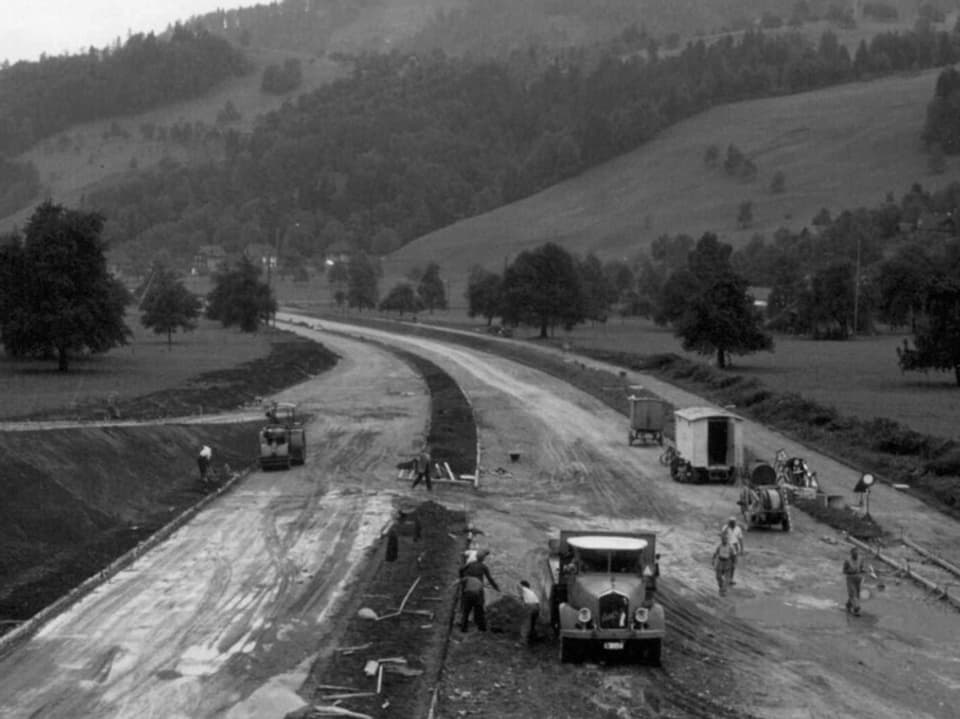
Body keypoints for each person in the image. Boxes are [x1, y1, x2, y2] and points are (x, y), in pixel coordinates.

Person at [459, 549, 500, 632]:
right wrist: (496, 587)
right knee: (479, 608)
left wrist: (462, 579)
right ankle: (481, 628)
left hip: (468, 586)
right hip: (478, 589)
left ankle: (463, 628)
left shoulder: (470, 564)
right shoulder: (483, 567)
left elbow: (460, 570)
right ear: (483, 559)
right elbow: (490, 579)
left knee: (466, 609)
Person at [843, 547, 874, 616]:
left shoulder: (860, 559)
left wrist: (866, 571)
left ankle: (848, 605)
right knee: (852, 593)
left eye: (857, 553)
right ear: (851, 554)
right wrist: (850, 571)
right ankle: (856, 608)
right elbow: (844, 571)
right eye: (855, 554)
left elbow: (861, 568)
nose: (856, 555)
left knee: (856, 594)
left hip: (858, 578)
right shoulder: (847, 561)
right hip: (850, 578)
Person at [712, 532, 737, 596]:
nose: (724, 540)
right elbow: (715, 553)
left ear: (727, 539)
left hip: (727, 562)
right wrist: (713, 560)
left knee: (727, 578)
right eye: (723, 539)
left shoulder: (731, 547)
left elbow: (734, 555)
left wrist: (734, 563)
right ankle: (721, 586)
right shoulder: (719, 545)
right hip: (720, 562)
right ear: (721, 539)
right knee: (718, 577)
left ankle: (723, 591)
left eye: (725, 539)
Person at [721, 517, 744, 585]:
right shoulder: (725, 527)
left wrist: (742, 549)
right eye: (731, 522)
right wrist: (727, 527)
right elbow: (722, 535)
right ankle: (725, 576)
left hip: (735, 547)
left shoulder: (738, 529)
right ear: (729, 522)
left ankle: (730, 579)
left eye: (733, 522)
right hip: (727, 547)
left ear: (735, 522)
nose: (732, 523)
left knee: (733, 565)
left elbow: (740, 539)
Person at [518, 580, 541, 645]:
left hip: (529, 607)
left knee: (526, 623)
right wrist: (521, 598)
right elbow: (523, 598)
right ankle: (533, 638)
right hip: (537, 606)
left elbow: (518, 586)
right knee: (532, 624)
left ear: (523, 585)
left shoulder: (523, 588)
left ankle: (523, 641)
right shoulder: (531, 591)